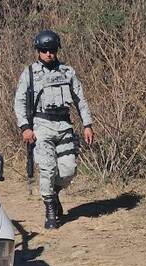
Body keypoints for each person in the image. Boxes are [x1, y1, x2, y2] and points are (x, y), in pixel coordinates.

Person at [14, 29, 94, 229]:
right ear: (38, 50)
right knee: (48, 169)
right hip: (41, 125)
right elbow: (20, 101)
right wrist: (25, 127)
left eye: (51, 50)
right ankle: (50, 211)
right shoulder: (30, 73)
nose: (48, 54)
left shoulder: (67, 72)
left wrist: (87, 124)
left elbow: (80, 99)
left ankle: (54, 194)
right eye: (44, 50)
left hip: (64, 125)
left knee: (68, 170)